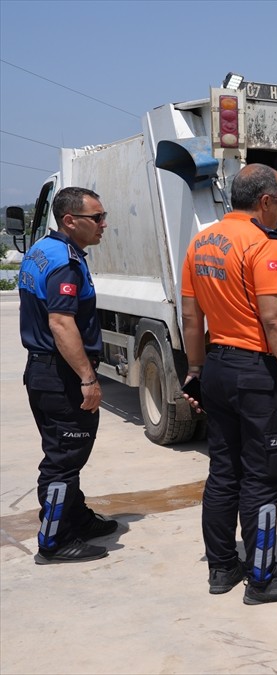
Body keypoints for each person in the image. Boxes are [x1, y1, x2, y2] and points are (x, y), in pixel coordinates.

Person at [180, 164, 277, 604]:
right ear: (264, 202)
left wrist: (197, 371)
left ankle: (222, 568)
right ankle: (262, 578)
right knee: (262, 477)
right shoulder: (263, 245)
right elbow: (274, 318)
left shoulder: (200, 242)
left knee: (223, 470)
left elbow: (190, 316)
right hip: (257, 374)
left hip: (217, 367)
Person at [18, 187, 118, 564]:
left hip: (42, 370)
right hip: (59, 375)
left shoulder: (43, 250)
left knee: (66, 453)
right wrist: (88, 379)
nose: (103, 224)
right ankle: (54, 539)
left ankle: (76, 519)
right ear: (70, 221)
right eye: (97, 218)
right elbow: (61, 323)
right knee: (63, 460)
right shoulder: (65, 263)